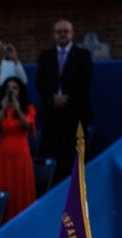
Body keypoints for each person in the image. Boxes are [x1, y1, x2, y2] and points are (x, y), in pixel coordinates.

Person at [35, 19, 94, 181]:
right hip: (51, 115)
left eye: (65, 31)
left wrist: (67, 98)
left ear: (72, 34)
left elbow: (85, 82)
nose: (62, 34)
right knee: (52, 154)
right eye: (59, 32)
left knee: (73, 155)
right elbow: (40, 82)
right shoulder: (45, 56)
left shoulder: (83, 55)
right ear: (54, 35)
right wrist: (53, 98)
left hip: (74, 114)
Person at [0, 78, 37, 219]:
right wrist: (5, 108)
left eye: (15, 87)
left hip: (21, 153)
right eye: (9, 88)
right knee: (4, 185)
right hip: (3, 153)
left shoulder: (28, 108)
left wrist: (17, 108)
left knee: (21, 187)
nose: (12, 90)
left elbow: (27, 126)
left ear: (20, 91)